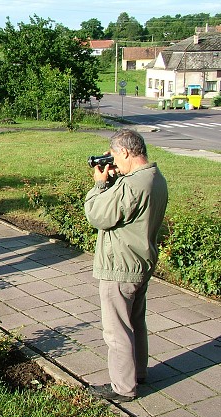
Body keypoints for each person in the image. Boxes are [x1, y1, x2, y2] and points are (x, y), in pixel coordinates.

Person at [84, 129, 168, 402]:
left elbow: (99, 215)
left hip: (120, 266)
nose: (113, 164)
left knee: (117, 329)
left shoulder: (132, 185)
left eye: (115, 157)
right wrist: (116, 180)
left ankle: (122, 388)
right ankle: (139, 372)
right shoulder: (154, 178)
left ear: (125, 152)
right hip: (140, 261)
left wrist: (100, 184)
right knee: (135, 322)